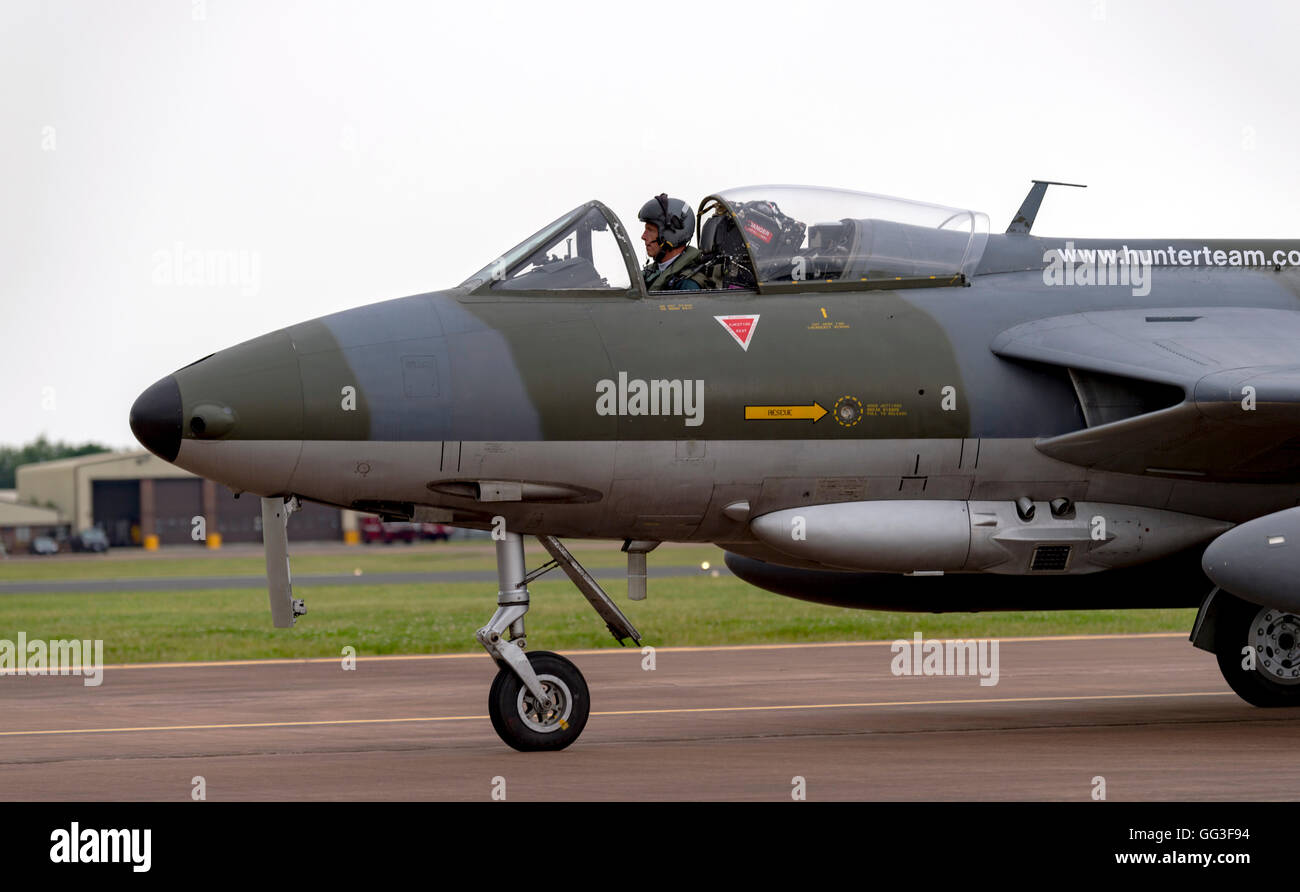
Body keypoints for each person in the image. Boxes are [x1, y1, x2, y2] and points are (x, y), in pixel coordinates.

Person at [637, 194, 705, 291]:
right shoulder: (651, 272)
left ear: (671, 235)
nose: (643, 237)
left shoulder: (687, 285)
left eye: (650, 230)